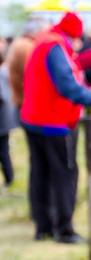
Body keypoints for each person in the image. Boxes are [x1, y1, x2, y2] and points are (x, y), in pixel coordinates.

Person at [21, 12, 91, 243]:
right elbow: (65, 83)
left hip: (34, 118)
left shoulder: (47, 40)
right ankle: (64, 230)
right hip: (54, 122)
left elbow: (70, 67)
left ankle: (42, 226)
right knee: (65, 173)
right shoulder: (55, 45)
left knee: (40, 172)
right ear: (74, 35)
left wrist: (87, 89)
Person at [6, 17, 50, 109]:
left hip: (23, 101)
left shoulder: (21, 44)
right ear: (38, 31)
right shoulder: (26, 47)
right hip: (27, 103)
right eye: (45, 31)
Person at [0, 53, 18, 188]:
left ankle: (9, 177)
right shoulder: (6, 71)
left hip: (2, 118)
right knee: (4, 148)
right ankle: (9, 176)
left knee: (3, 150)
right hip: (6, 116)